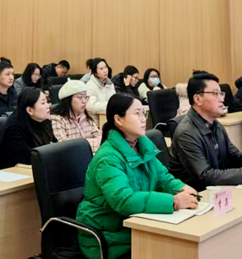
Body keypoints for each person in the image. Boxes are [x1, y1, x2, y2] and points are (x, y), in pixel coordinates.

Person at [77, 93, 197, 259]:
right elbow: (124, 200)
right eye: (137, 113)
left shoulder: (142, 146)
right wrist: (174, 201)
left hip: (135, 227)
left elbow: (162, 178)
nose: (143, 119)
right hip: (108, 237)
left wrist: (181, 188)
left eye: (144, 113)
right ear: (118, 120)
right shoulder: (108, 158)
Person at [169, 72, 242, 191]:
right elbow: (205, 175)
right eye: (215, 94)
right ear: (198, 99)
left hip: (217, 190)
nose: (222, 99)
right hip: (196, 195)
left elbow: (232, 154)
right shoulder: (186, 133)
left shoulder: (215, 124)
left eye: (221, 93)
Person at [0, 88, 56, 170]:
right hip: (8, 171)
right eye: (43, 103)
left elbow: (54, 145)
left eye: (47, 102)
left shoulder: (45, 121)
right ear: (30, 110)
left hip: (36, 168)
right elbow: (27, 158)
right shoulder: (14, 129)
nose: (48, 106)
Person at [50, 80, 101, 152]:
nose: (84, 101)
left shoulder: (86, 115)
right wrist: (89, 143)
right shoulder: (57, 119)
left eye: (85, 97)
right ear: (68, 100)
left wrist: (80, 144)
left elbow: (100, 138)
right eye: (80, 97)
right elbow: (65, 146)